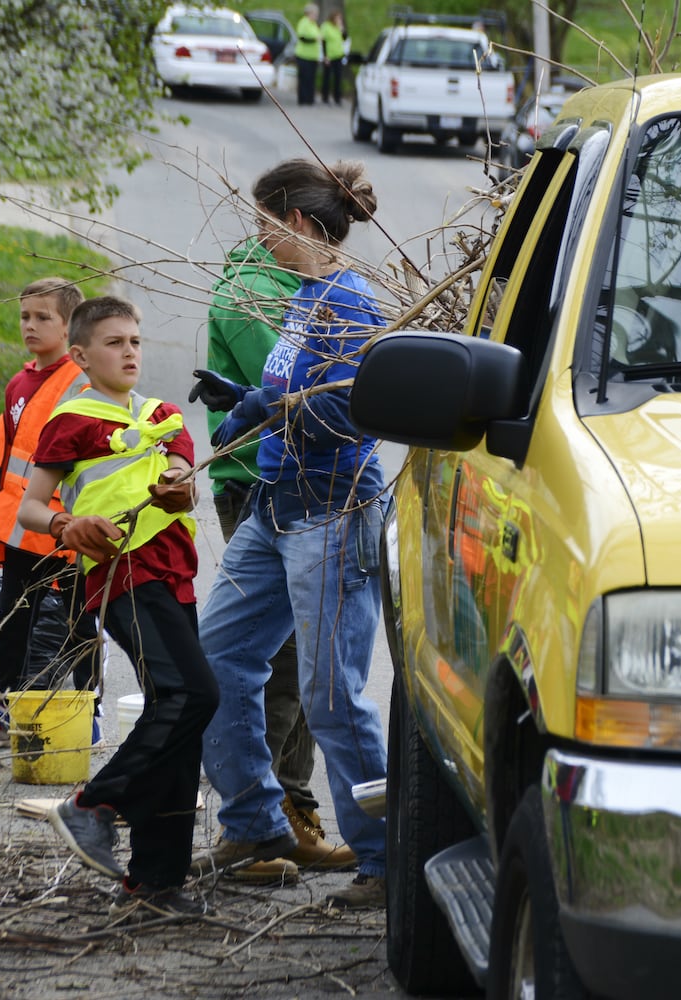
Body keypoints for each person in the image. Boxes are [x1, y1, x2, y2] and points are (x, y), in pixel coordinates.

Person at [194, 159, 388, 909]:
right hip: (274, 506)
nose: (260, 239)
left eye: (265, 225)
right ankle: (253, 823)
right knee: (220, 658)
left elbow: (352, 414)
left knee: (330, 692)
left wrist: (281, 409)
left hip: (331, 511)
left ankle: (379, 859)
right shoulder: (307, 298)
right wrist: (243, 402)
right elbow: (285, 390)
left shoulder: (349, 305)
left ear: (299, 223)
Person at [19, 295, 219, 919]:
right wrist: (64, 524)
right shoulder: (72, 419)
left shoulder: (162, 415)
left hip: (174, 574)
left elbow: (185, 484)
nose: (130, 352)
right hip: (122, 575)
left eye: (135, 341)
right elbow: (30, 507)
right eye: (114, 343)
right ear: (80, 355)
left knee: (179, 719)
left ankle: (157, 879)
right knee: (194, 696)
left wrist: (181, 484)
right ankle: (92, 807)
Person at [0, 277, 100, 742]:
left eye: (43, 317)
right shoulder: (18, 384)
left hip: (66, 533)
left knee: (79, 622)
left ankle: (90, 707)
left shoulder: (83, 383)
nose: (30, 325)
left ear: (69, 326)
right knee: (11, 622)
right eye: (25, 316)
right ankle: (1, 705)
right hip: (21, 530)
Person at [294, 3, 323, 107]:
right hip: (303, 55)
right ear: (309, 13)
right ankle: (302, 99)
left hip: (313, 57)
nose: (316, 16)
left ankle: (310, 99)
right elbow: (302, 38)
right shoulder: (304, 22)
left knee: (311, 78)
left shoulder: (314, 24)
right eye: (314, 14)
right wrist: (314, 40)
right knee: (304, 78)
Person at [319, 10, 348, 106]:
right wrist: (325, 55)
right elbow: (323, 41)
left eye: (340, 18)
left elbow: (345, 38)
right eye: (337, 18)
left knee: (338, 78)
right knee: (327, 77)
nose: (339, 20)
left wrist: (342, 29)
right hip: (329, 56)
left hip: (338, 55)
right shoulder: (326, 26)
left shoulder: (339, 28)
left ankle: (337, 98)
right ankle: (325, 97)